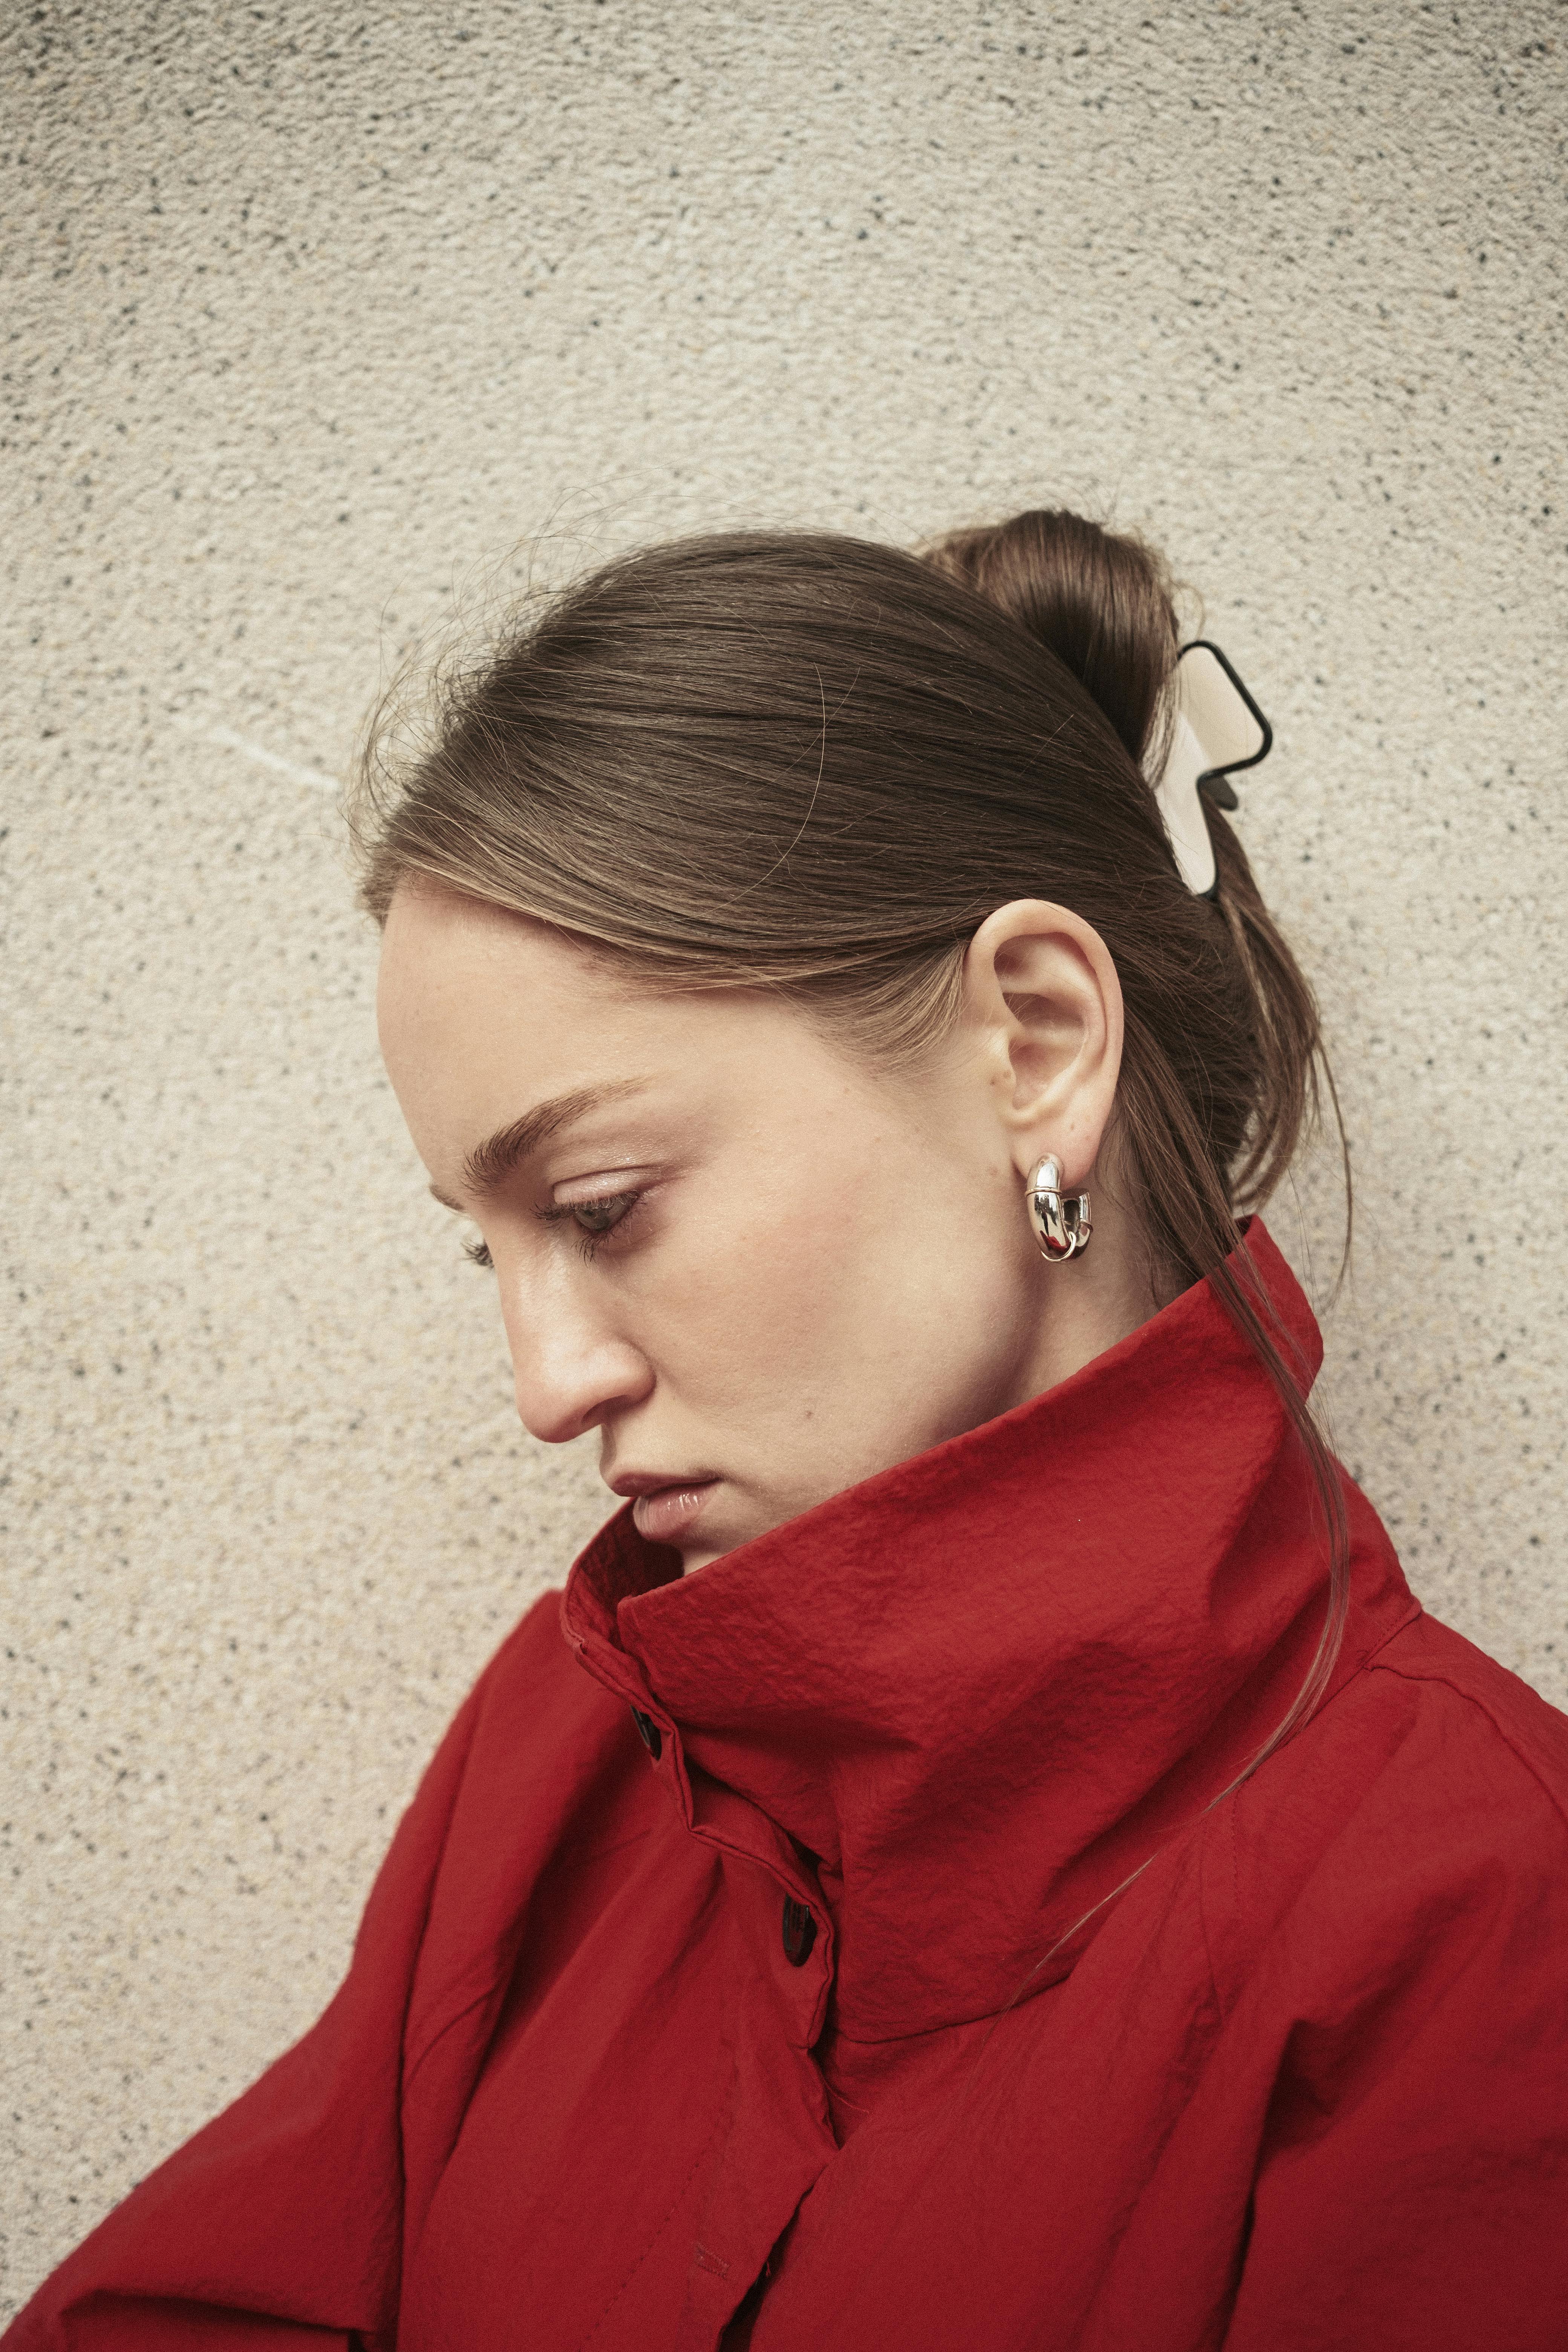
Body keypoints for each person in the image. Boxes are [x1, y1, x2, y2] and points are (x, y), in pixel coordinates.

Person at [9, 512, 1567, 2352]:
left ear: (1037, 1044)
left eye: (598, 1209)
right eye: (483, 1250)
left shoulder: (1477, 1923)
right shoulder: (572, 1733)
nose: (544, 1390)